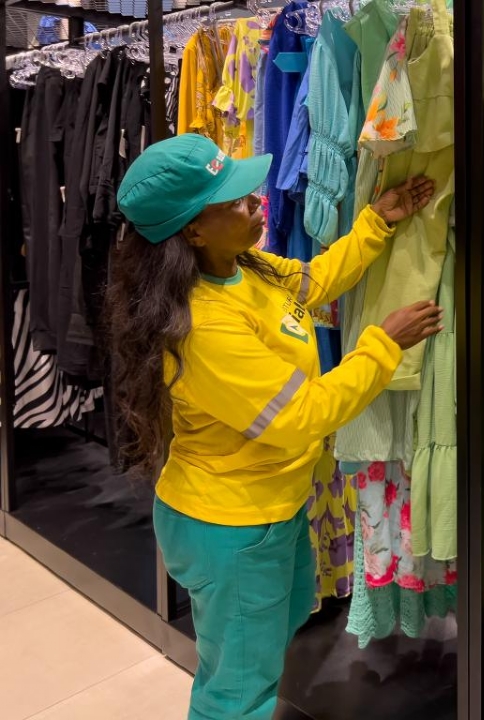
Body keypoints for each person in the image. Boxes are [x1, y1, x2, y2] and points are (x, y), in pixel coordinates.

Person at [107, 133, 441, 720]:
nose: (256, 200)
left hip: (270, 509)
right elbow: (301, 415)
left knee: (272, 635)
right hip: (231, 527)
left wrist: (376, 223)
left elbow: (309, 286)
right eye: (235, 200)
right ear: (192, 230)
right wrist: (382, 346)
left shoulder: (242, 269)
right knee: (237, 693)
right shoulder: (203, 327)